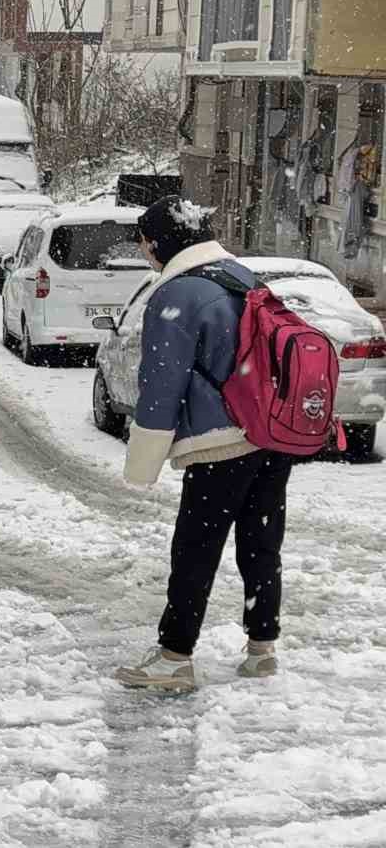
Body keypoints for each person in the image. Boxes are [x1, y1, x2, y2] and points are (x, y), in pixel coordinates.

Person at [114, 195, 291, 691]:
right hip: (268, 434)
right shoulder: (242, 277)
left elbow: (162, 384)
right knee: (261, 542)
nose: (144, 251)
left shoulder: (176, 296)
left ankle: (175, 656)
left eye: (145, 242)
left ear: (160, 243)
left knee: (195, 548)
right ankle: (262, 649)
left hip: (220, 442)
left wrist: (141, 465)